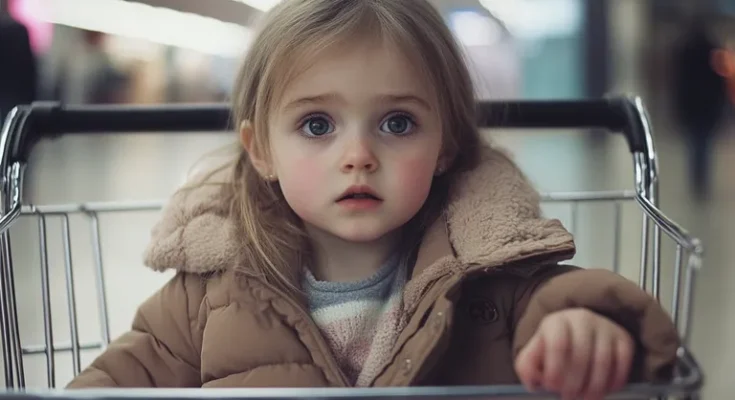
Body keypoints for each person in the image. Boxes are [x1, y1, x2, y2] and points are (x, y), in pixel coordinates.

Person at [66, 1, 680, 399]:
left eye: (396, 124)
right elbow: (124, 377)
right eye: (316, 126)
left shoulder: (492, 279)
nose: (357, 155)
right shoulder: (205, 296)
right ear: (261, 152)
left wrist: (579, 327)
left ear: (446, 144)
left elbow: (558, 298)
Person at [672, 18, 728, 198]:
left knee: (694, 144)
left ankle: (696, 178)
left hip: (691, 104)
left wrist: (678, 106)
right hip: (708, 105)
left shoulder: (684, 49)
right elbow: (719, 81)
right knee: (704, 143)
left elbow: (678, 82)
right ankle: (702, 179)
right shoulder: (713, 49)